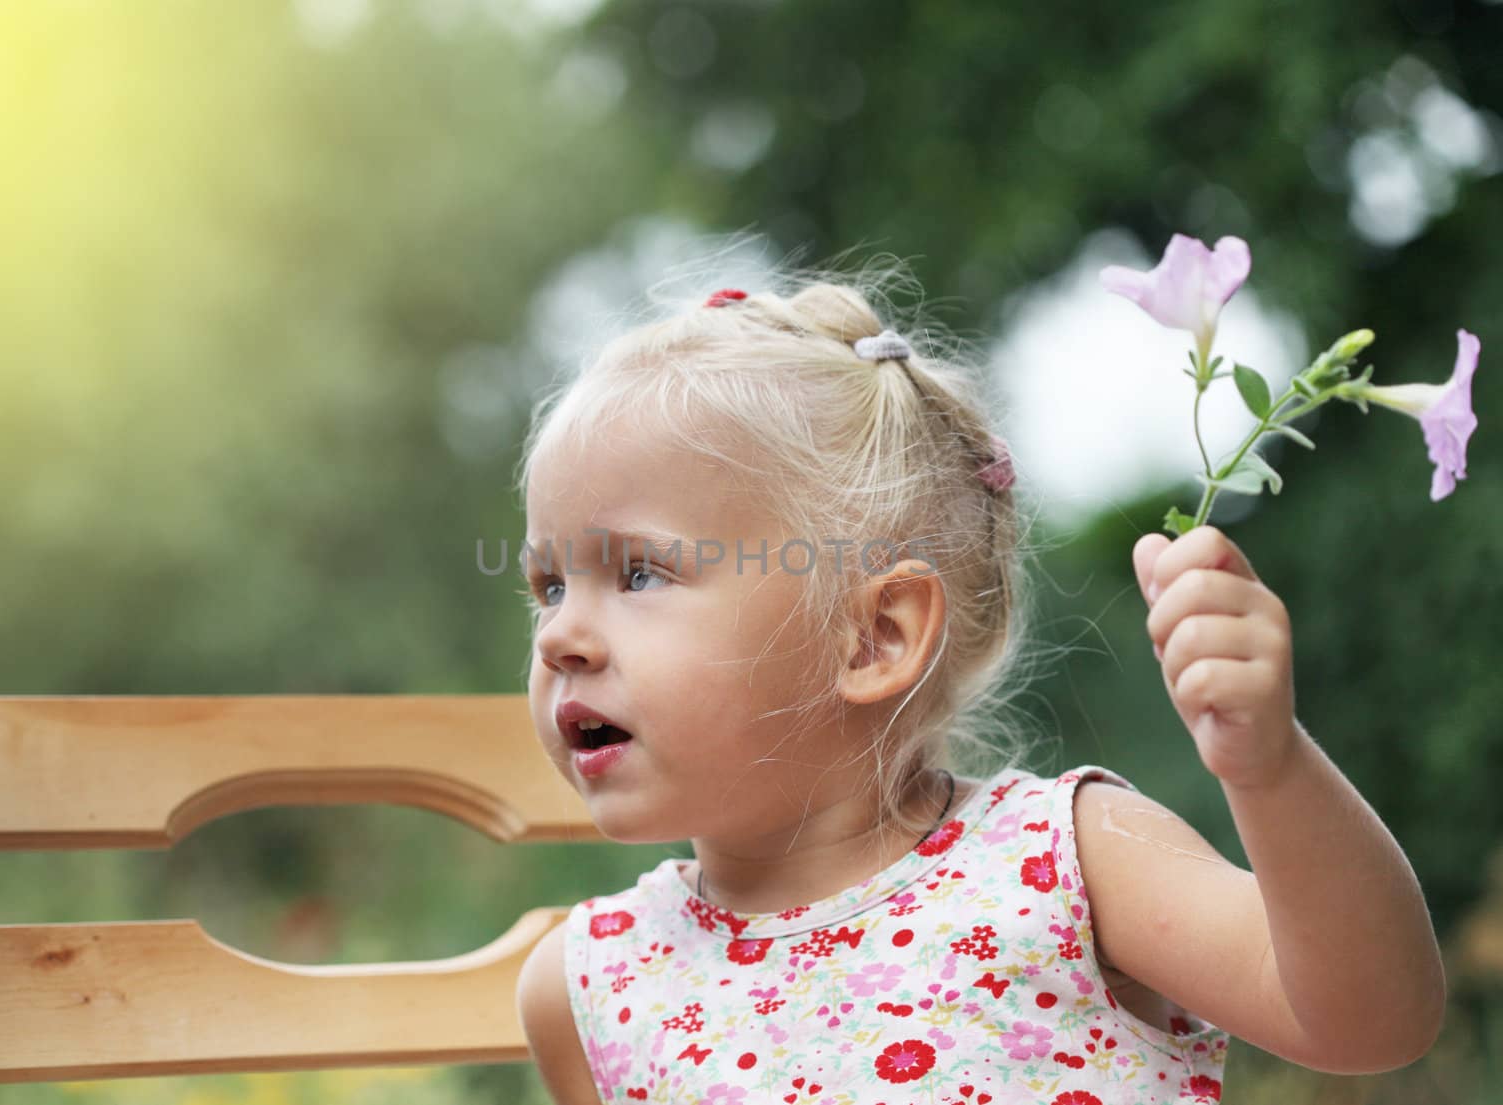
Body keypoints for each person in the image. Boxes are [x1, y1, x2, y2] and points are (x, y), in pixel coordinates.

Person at [512, 259, 1445, 1104]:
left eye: (639, 573)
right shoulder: (590, 986)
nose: (561, 635)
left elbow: (1372, 1020)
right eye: (549, 585)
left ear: (875, 635)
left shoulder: (1067, 864)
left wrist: (1270, 768)